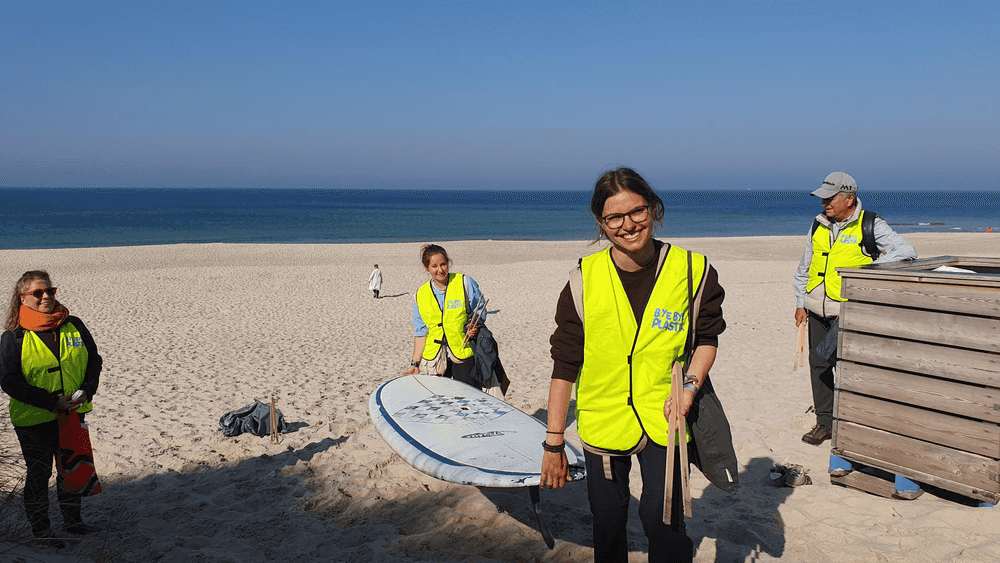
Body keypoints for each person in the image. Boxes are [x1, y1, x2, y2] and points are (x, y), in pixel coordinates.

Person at [541, 168, 730, 563]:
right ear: (601, 223)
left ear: (653, 209)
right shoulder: (582, 280)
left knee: (662, 519)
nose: (628, 225)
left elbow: (707, 340)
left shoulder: (693, 271)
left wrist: (690, 389)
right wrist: (553, 441)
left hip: (667, 416)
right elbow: (564, 363)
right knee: (607, 522)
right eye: (614, 217)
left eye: (637, 211)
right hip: (602, 416)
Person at [793, 172, 916, 445]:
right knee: (818, 365)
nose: (824, 203)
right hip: (815, 310)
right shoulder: (818, 224)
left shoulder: (870, 224)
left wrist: (868, 270)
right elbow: (805, 265)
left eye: (830, 197)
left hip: (848, 312)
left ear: (849, 198)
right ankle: (825, 423)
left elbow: (907, 252)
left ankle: (853, 423)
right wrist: (801, 302)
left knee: (842, 366)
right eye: (822, 197)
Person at [0, 271, 103, 547]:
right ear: (23, 297)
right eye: (37, 293)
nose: (46, 296)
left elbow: (94, 360)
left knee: (71, 469)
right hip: (34, 419)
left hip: (72, 412)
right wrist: (52, 402)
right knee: (39, 473)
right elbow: (10, 382)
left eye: (50, 291)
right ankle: (42, 532)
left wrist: (87, 390)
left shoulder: (74, 325)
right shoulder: (14, 337)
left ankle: (73, 522)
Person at [402, 245, 486, 388]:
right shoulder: (421, 294)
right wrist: (415, 363)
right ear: (427, 268)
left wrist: (474, 327)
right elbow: (421, 332)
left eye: (443, 264)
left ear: (449, 263)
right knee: (440, 404)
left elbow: (480, 312)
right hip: (434, 359)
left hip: (463, 354)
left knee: (466, 402)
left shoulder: (465, 282)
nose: (440, 270)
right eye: (434, 266)